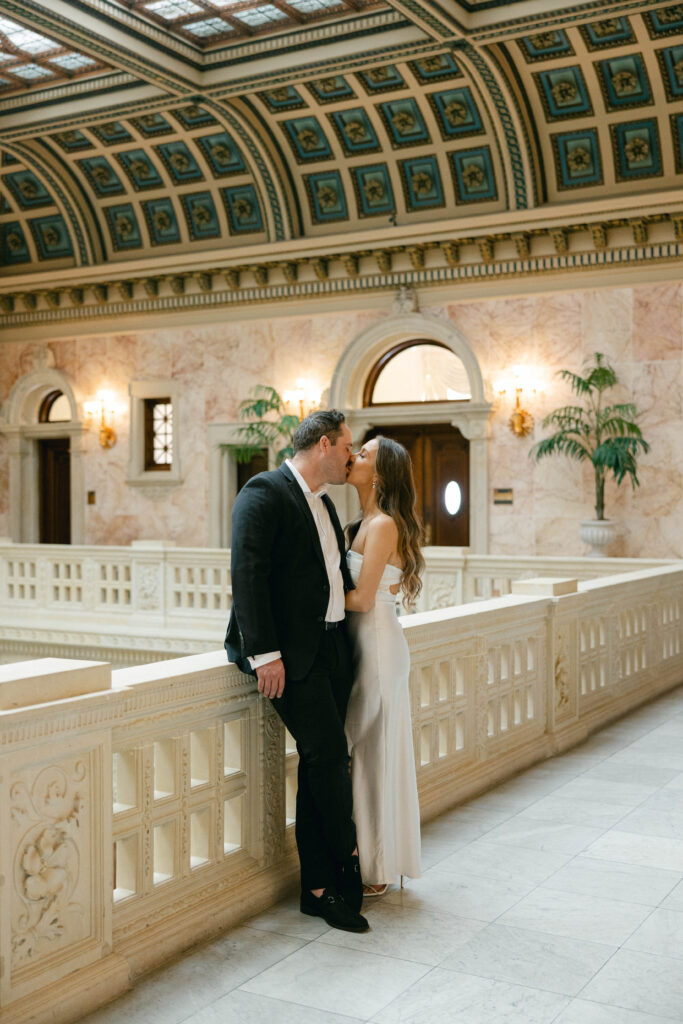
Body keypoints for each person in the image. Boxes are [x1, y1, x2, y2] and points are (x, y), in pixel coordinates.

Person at [225, 410, 369, 933]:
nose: (352, 456)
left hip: (332, 650)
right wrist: (265, 655)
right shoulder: (263, 492)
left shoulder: (326, 504)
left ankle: (317, 888)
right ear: (325, 444)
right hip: (292, 659)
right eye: (348, 446)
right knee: (329, 755)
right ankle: (344, 864)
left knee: (320, 762)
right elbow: (247, 574)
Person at [344, 435, 423, 895]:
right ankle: (370, 854)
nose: (353, 455)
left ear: (378, 473)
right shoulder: (363, 521)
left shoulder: (384, 525)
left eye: (364, 453)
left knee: (373, 754)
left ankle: (375, 868)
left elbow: (362, 598)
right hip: (362, 644)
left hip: (377, 646)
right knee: (362, 752)